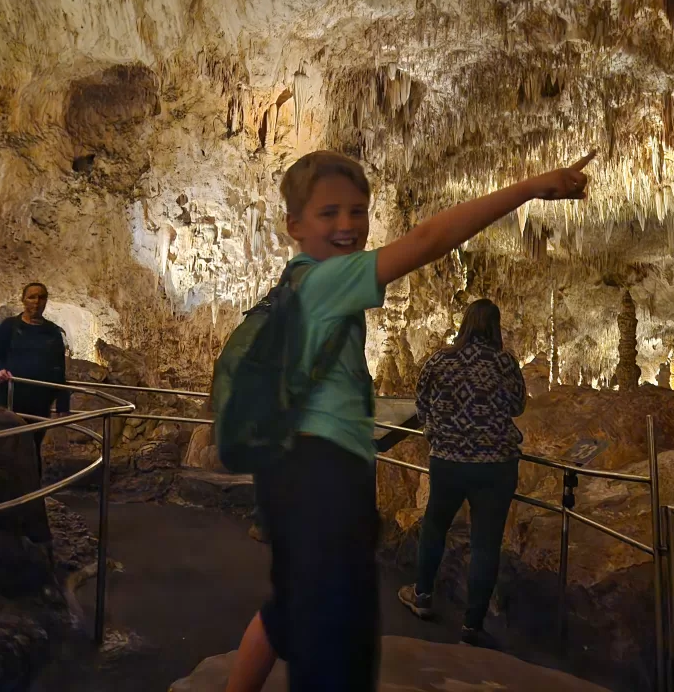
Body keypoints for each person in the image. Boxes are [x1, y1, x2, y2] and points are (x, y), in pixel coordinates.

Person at [224, 149, 595, 692]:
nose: (348, 225)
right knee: (338, 642)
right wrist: (529, 188)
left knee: (291, 610)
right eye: (329, 213)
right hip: (324, 481)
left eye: (357, 211)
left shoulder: (294, 288)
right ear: (295, 226)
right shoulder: (326, 283)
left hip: (300, 473)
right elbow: (426, 242)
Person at [397, 298, 526, 649]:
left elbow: (421, 404)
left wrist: (442, 426)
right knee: (486, 543)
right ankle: (472, 626)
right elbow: (517, 406)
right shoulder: (505, 363)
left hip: (449, 460)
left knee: (436, 526)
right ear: (496, 327)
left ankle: (422, 595)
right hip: (496, 465)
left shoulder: (441, 360)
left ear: (465, 324)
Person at [0, 282, 70, 479]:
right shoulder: (10, 326)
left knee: (33, 445)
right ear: (23, 299)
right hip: (10, 396)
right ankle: (3, 493)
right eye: (32, 297)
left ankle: (31, 495)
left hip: (39, 399)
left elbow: (59, 368)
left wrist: (62, 402)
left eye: (41, 297)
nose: (36, 301)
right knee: (8, 443)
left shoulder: (52, 332)